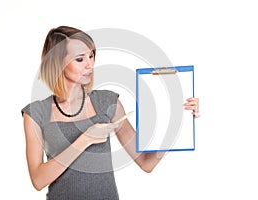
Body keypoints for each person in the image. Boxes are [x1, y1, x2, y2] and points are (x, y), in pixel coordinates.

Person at [21, 26, 200, 199]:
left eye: (91, 56)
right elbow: (38, 180)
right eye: (80, 59)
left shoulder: (107, 102)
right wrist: (85, 139)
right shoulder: (36, 113)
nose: (90, 64)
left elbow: (146, 163)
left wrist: (178, 120)